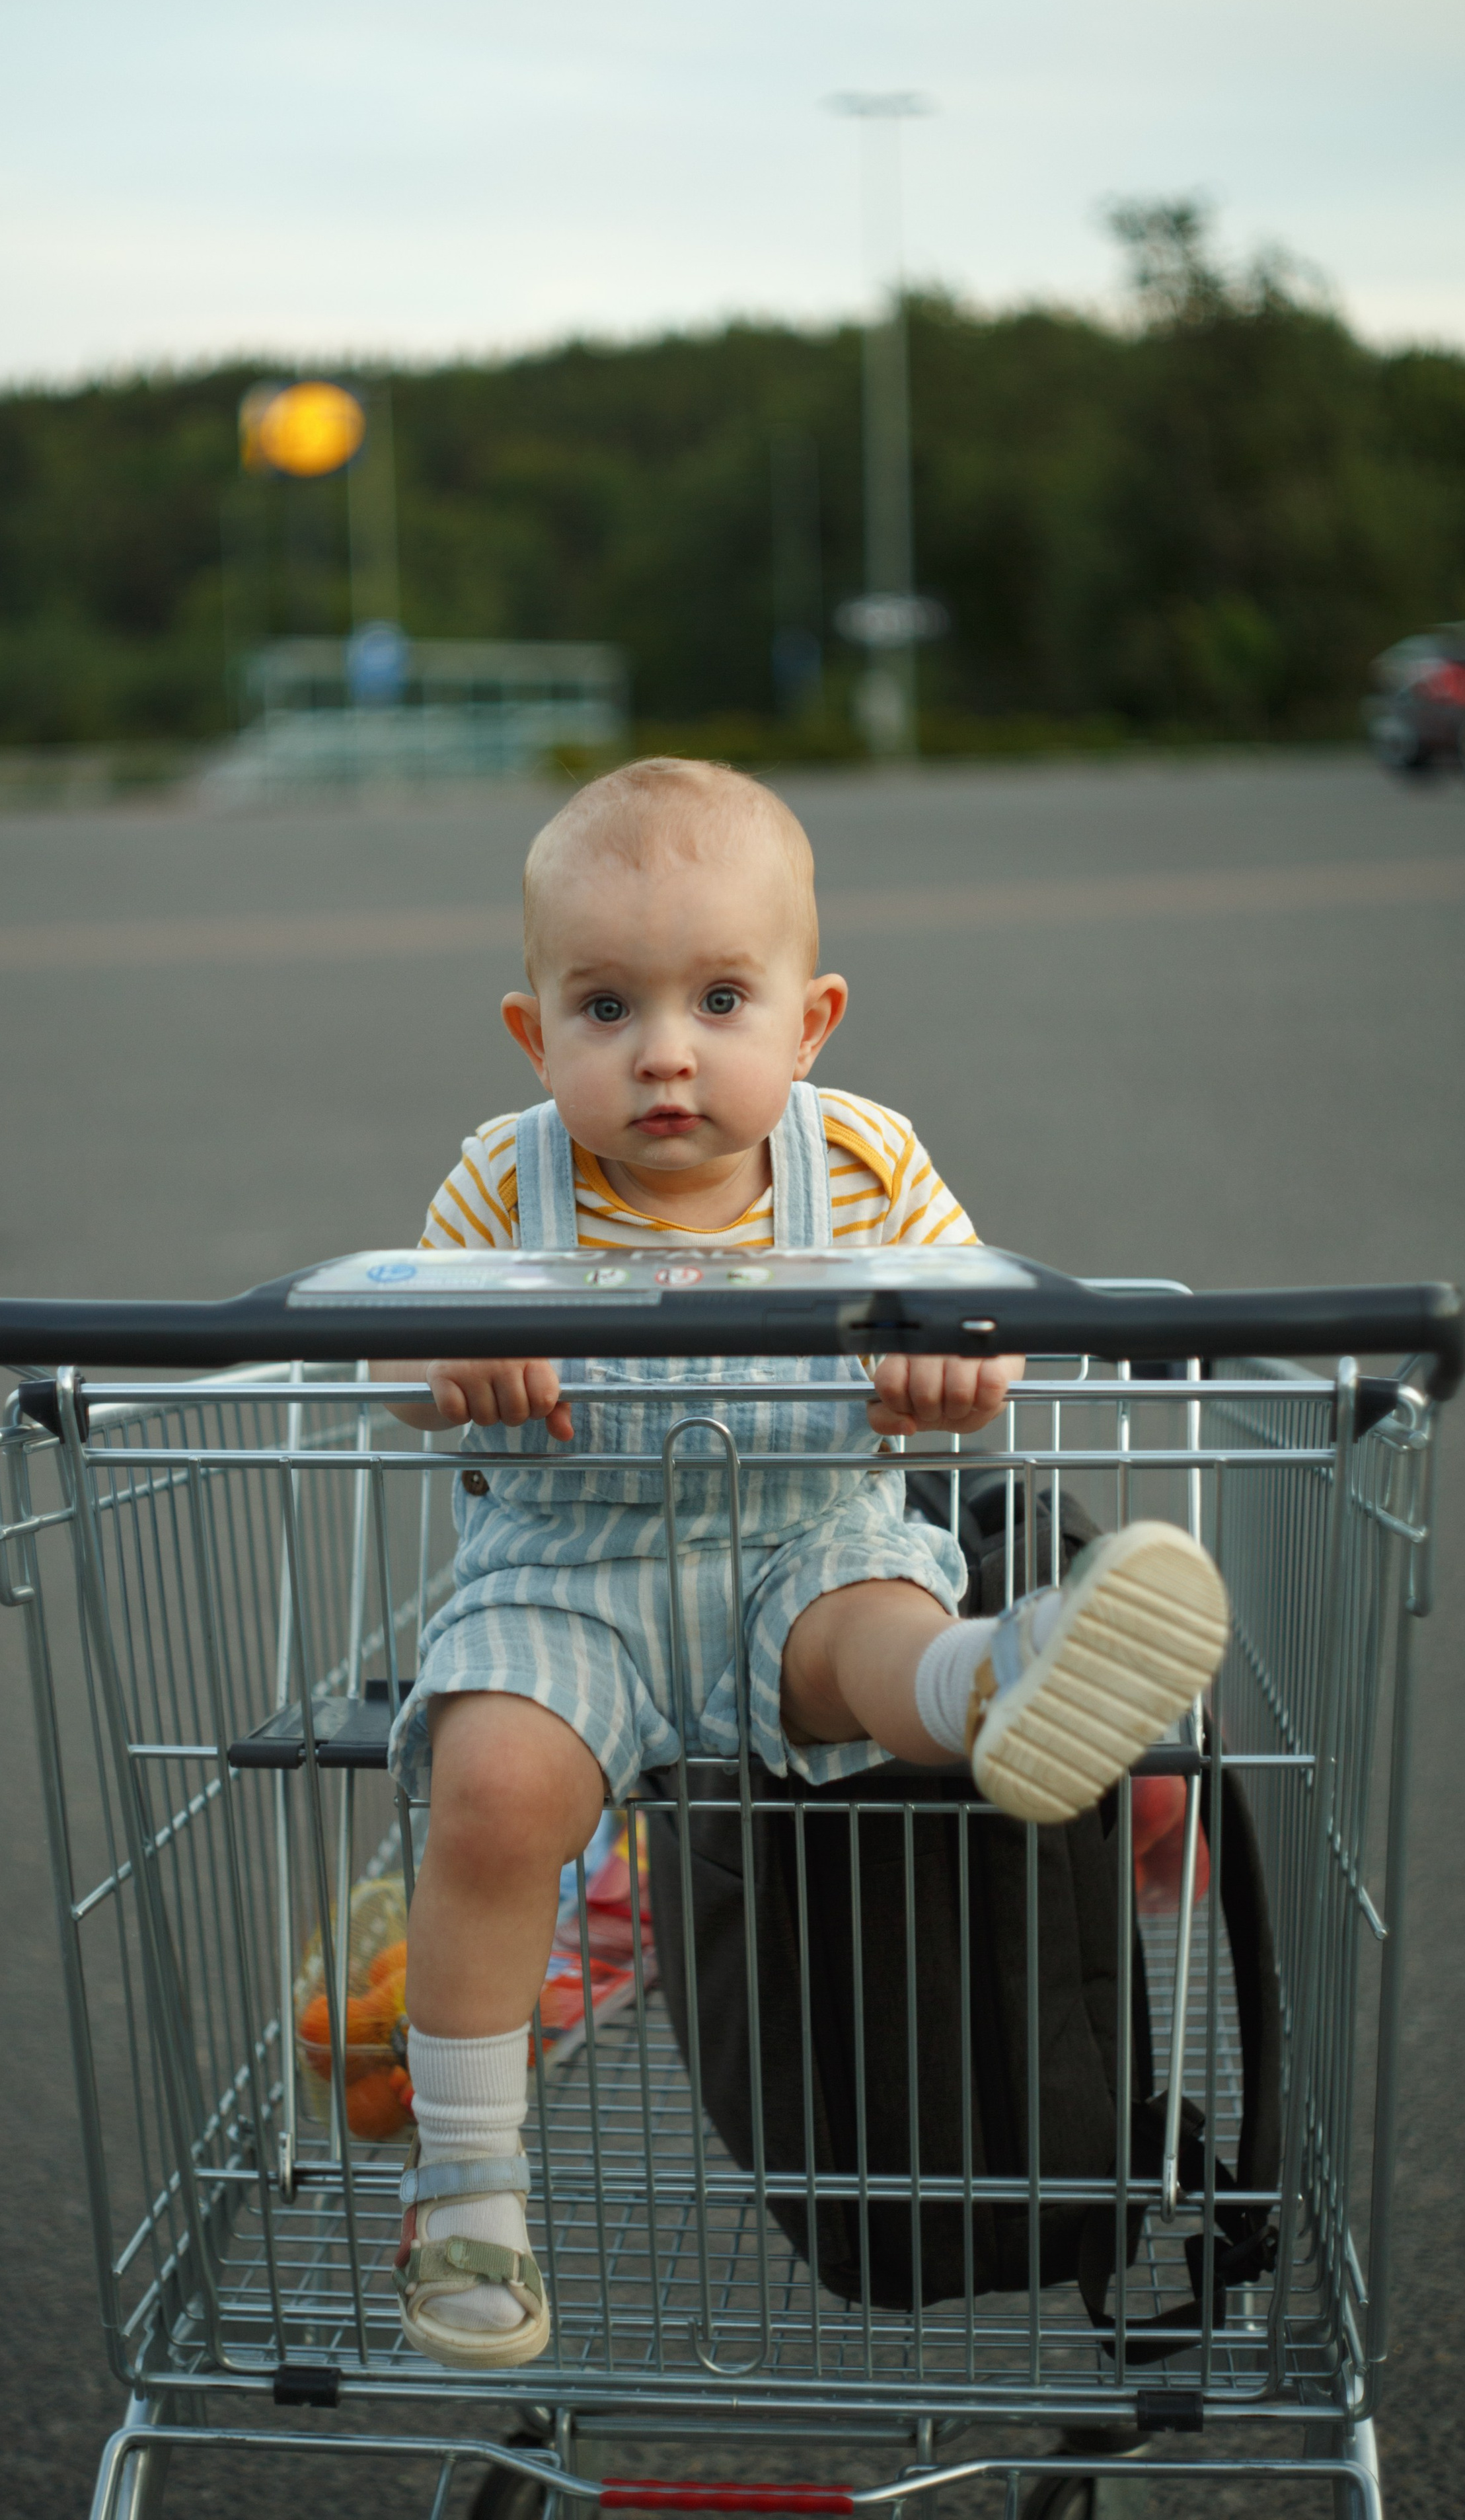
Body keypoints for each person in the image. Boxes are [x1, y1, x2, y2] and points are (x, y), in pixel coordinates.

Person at [379, 757, 1226, 2369]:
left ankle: (1006, 1674)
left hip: (801, 1542)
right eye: (606, 1010)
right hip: (570, 1572)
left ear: (810, 1019)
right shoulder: (503, 1180)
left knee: (880, 1638)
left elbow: (990, 1306)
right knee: (490, 1796)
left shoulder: (864, 1163)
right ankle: (467, 2186)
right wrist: (450, 1361)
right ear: (531, 1033)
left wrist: (961, 1355)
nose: (665, 1055)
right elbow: (387, 1351)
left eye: (716, 999)